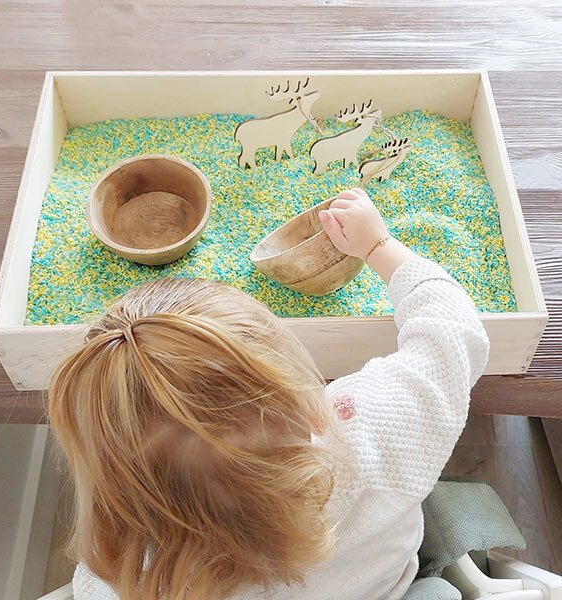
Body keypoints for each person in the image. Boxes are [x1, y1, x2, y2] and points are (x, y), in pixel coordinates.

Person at [49, 187, 490, 600]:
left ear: (116, 485)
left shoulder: (131, 562)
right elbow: (452, 331)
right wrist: (379, 246)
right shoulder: (370, 430)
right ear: (312, 407)